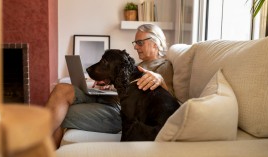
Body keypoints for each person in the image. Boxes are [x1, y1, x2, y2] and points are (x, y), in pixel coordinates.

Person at [46, 24, 174, 148]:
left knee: (60, 111)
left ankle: (36, 144)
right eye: (135, 43)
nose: (135, 47)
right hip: (110, 100)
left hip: (119, 112)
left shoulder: (163, 66)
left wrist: (160, 79)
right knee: (62, 89)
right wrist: (108, 82)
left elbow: (168, 102)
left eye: (140, 42)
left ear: (155, 43)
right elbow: (129, 88)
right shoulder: (137, 65)